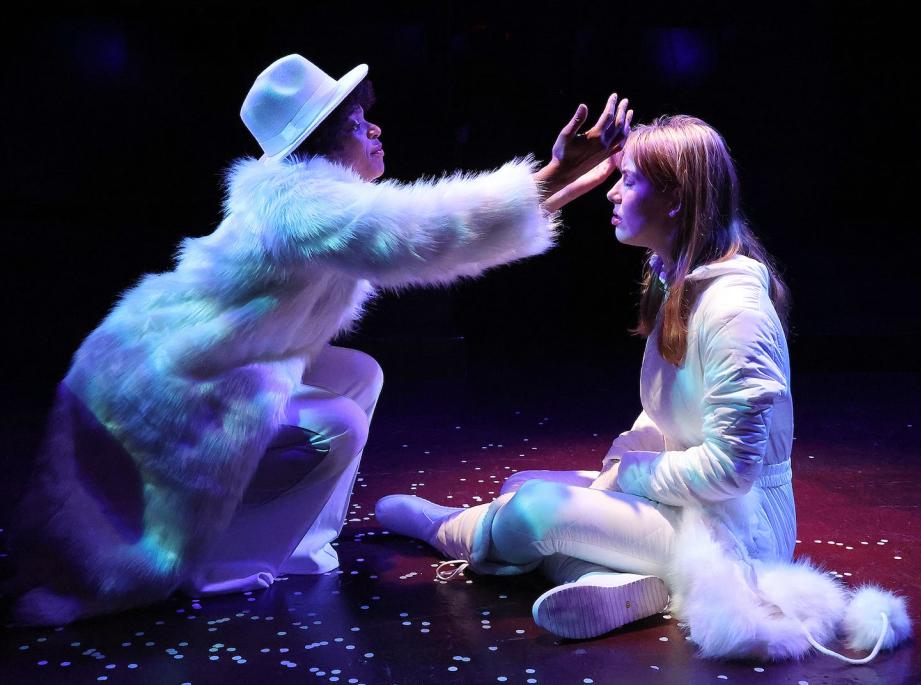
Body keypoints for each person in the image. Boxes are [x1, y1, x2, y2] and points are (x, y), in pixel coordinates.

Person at [8, 54, 631, 626]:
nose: (375, 130)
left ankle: (302, 542)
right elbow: (431, 231)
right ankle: (224, 566)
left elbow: (438, 232)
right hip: (162, 381)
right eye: (360, 122)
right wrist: (552, 174)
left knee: (357, 373)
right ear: (323, 141)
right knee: (338, 421)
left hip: (192, 362)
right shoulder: (301, 204)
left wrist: (560, 182)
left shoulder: (309, 198)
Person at [376, 115, 911, 662]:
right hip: (691, 500)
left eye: (629, 180)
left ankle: (450, 530)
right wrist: (628, 458)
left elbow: (732, 470)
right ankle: (614, 584)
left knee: (533, 508)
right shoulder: (678, 281)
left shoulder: (735, 310)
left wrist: (631, 475)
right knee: (525, 479)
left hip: (734, 532)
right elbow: (670, 412)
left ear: (676, 199)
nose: (612, 191)